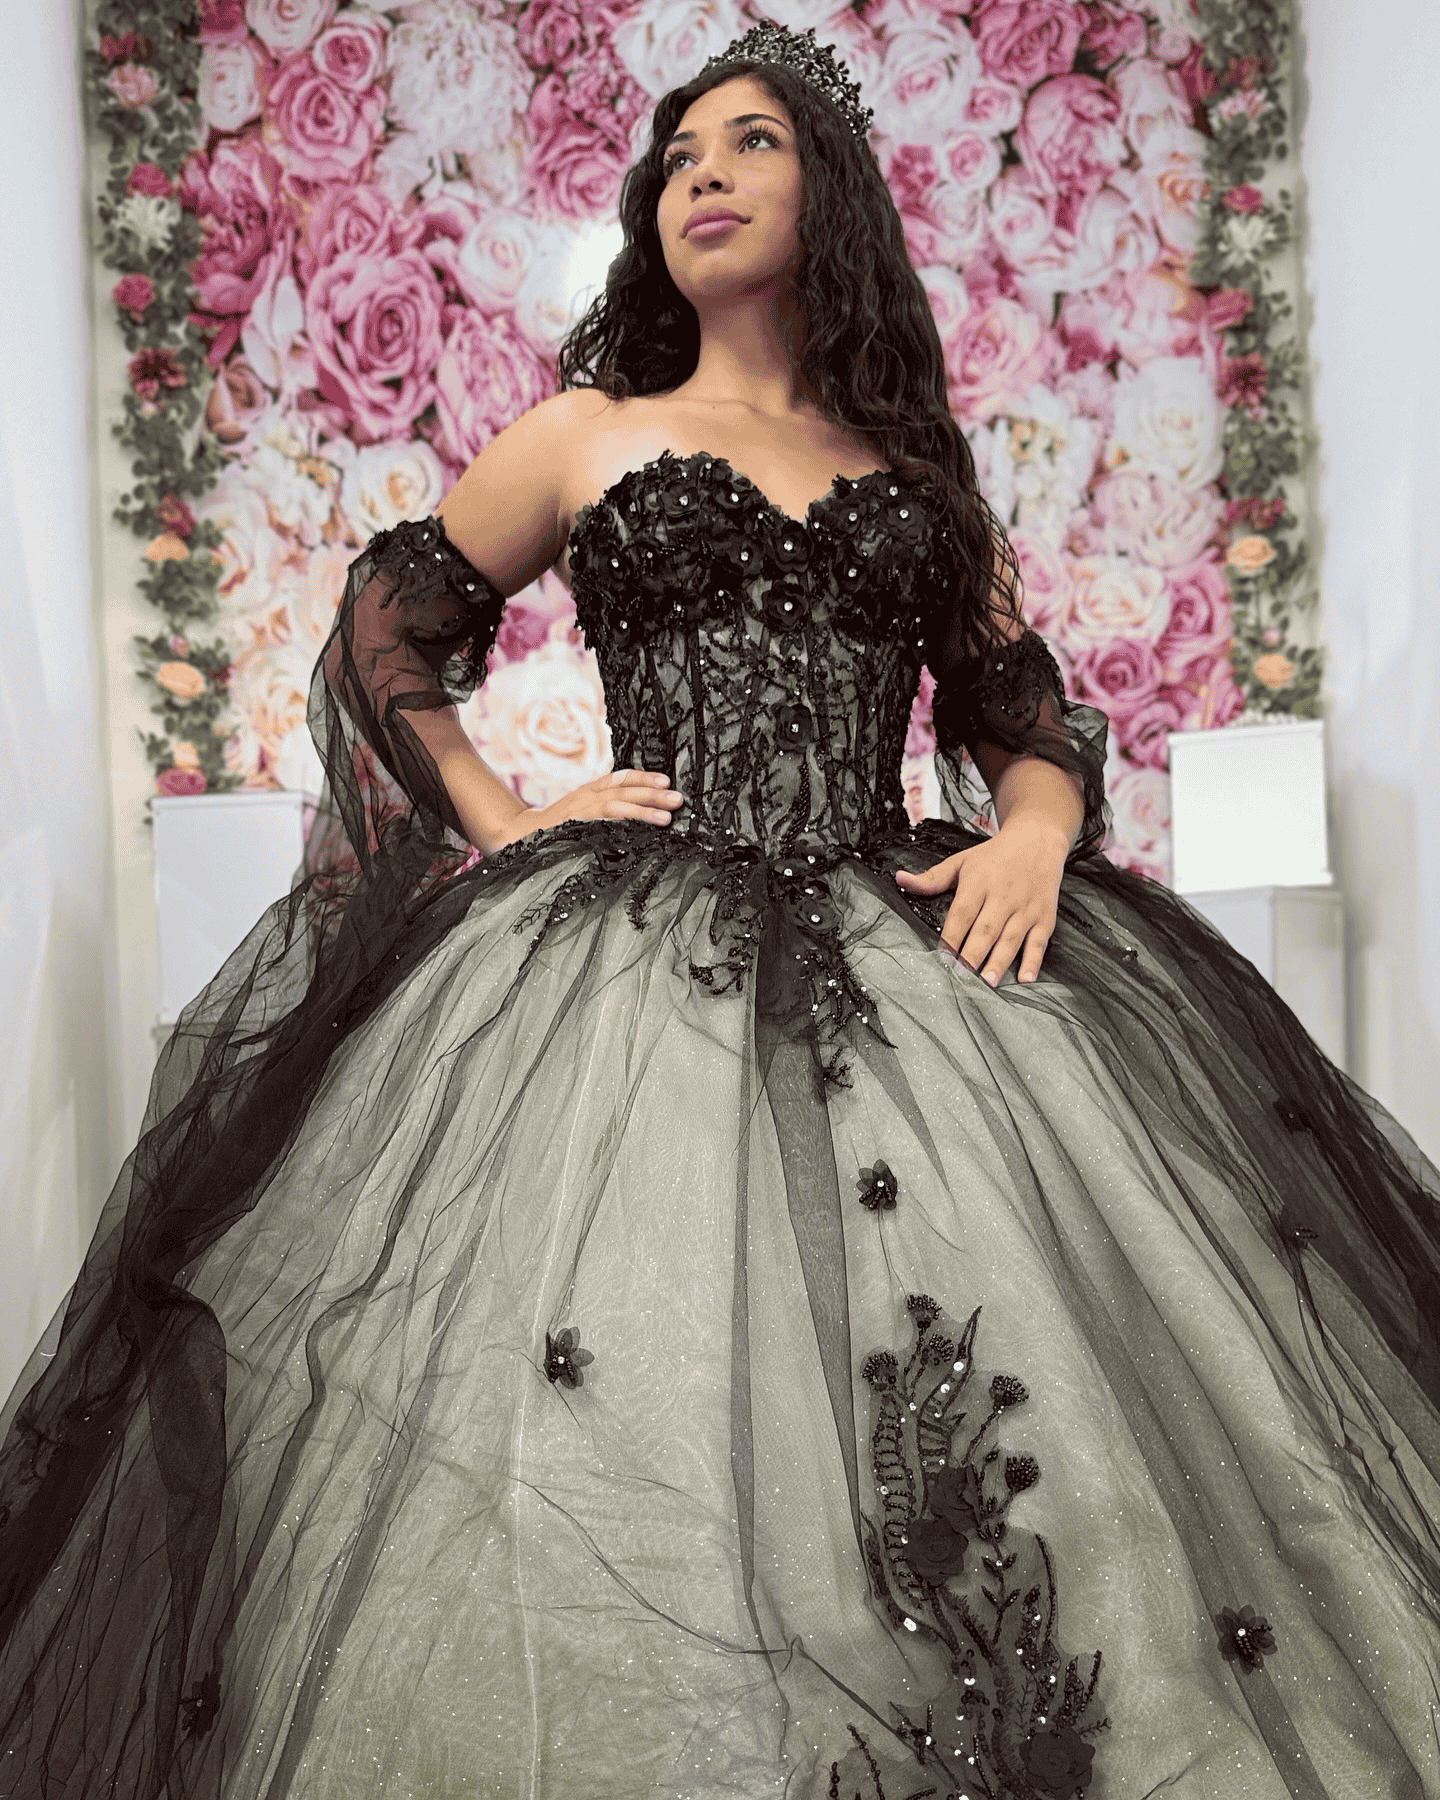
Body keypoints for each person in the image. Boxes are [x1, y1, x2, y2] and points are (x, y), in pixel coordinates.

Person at [1, 18, 1438, 1800]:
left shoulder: (922, 480)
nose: (701, 172)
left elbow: (1026, 722)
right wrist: (509, 809)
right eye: (678, 153)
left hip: (917, 941)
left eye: (746, 141)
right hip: (635, 971)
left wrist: (1036, 837)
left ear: (823, 192)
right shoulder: (587, 432)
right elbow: (391, 624)